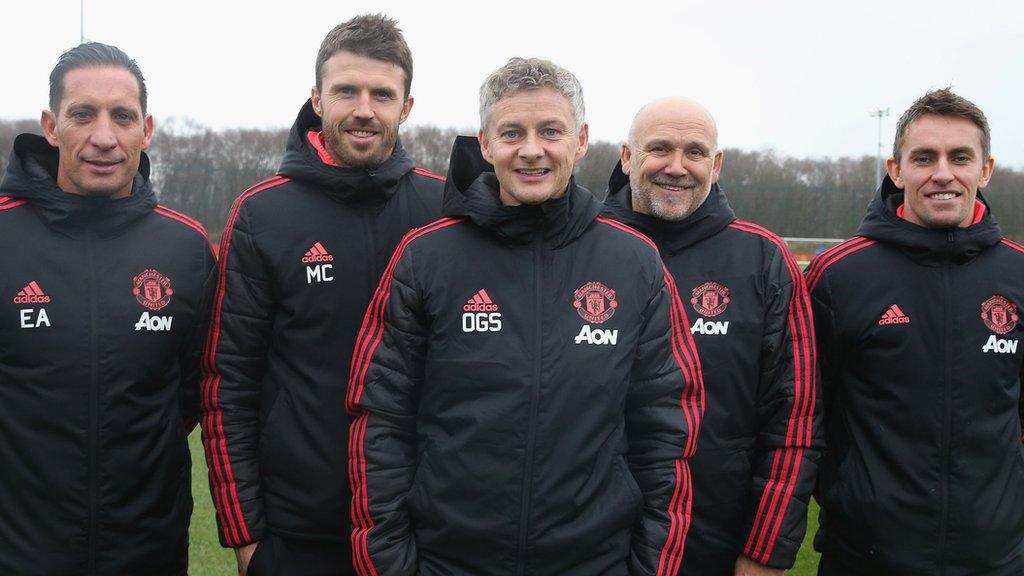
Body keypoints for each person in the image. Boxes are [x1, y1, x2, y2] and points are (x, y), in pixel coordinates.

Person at [346, 57, 704, 576]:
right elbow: (378, 421)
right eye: (512, 132)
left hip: (595, 562)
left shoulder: (635, 262)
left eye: (550, 131)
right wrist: (390, 562)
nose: (531, 149)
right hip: (449, 562)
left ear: (580, 141)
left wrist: (650, 566)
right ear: (486, 143)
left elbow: (667, 431)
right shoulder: (426, 256)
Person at [201, 14, 443, 576]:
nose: (364, 109)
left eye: (382, 94)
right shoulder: (262, 213)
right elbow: (226, 380)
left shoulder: (442, 210)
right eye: (346, 91)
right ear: (316, 98)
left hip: (426, 529)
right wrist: (245, 536)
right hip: (297, 535)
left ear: (406, 107)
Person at [0, 42, 214, 575]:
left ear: (146, 129)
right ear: (51, 126)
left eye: (122, 116)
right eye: (82, 114)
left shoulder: (186, 249)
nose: (103, 137)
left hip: (150, 553)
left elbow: (191, 393)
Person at [806, 88, 1024, 575]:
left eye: (960, 157)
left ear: (985, 170)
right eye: (924, 157)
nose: (942, 173)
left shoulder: (1018, 275)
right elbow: (803, 416)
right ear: (896, 169)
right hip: (863, 559)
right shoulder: (838, 276)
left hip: (997, 562)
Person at [602, 97, 821, 576]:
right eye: (658, 148)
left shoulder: (763, 260)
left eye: (695, 152)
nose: (676, 167)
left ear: (716, 164)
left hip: (713, 545)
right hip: (590, 542)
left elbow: (795, 421)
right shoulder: (584, 248)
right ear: (626, 157)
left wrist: (765, 552)